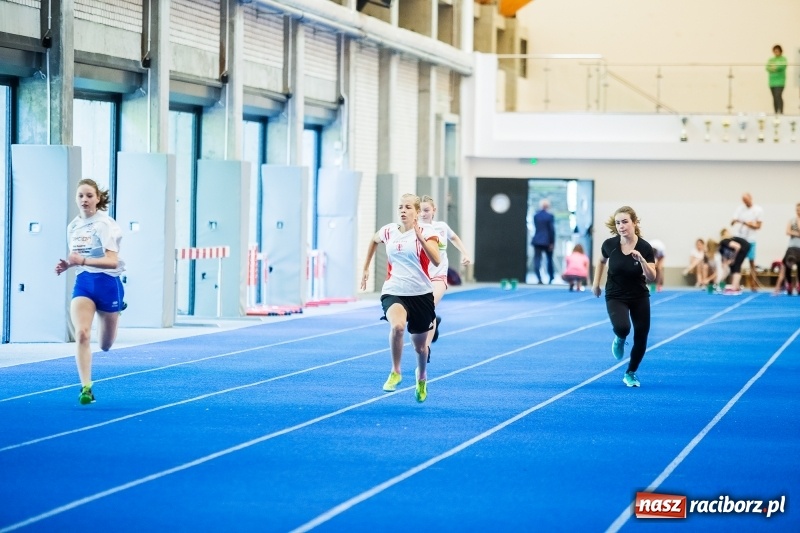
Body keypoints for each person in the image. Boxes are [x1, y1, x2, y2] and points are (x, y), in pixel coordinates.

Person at [360, 193, 440, 403]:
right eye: (400, 207)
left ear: (417, 212)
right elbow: (373, 240)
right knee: (397, 327)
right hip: (394, 290)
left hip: (421, 294)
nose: (403, 211)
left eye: (408, 207)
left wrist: (420, 238)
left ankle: (421, 377)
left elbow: (436, 260)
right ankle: (395, 371)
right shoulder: (389, 231)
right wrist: (366, 268)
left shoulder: (427, 232)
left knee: (420, 348)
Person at [54, 179, 125, 405]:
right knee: (82, 333)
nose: (84, 200)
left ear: (97, 199)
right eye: (81, 196)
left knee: (105, 345)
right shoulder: (73, 226)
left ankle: (117, 308)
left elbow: (112, 262)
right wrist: (67, 265)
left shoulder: (105, 225)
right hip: (84, 282)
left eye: (89, 195)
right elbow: (78, 257)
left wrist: (82, 260)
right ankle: (86, 387)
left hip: (108, 284)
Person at [591, 206, 656, 388]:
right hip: (615, 294)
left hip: (638, 295)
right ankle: (619, 338)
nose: (621, 226)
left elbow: (652, 277)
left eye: (625, 222)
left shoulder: (645, 247)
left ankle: (630, 373)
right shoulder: (609, 245)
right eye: (618, 223)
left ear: (634, 223)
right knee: (623, 327)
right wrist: (596, 283)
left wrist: (642, 260)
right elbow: (601, 261)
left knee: (641, 335)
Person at [419, 195, 472, 353]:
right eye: (420, 211)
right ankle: (434, 322)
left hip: (439, 275)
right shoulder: (415, 230)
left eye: (426, 210)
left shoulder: (441, 227)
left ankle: (426, 347)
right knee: (419, 312)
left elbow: (454, 238)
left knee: (428, 307)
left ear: (434, 210)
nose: (423, 214)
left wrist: (465, 253)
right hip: (421, 277)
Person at [731, 192, 763, 291]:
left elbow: (758, 226)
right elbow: (733, 221)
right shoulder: (740, 209)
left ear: (750, 198)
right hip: (740, 238)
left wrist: (748, 224)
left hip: (751, 239)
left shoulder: (758, 210)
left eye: (746, 199)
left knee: (751, 262)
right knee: (738, 261)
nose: (745, 202)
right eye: (743, 200)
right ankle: (736, 284)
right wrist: (735, 221)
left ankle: (753, 283)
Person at [772, 202, 800, 295]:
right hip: (791, 247)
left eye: (799, 210)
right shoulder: (791, 220)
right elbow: (787, 231)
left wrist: (796, 228)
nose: (798, 211)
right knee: (786, 266)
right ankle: (789, 285)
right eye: (797, 210)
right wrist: (796, 232)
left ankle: (798, 285)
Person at [718, 228, 751, 295]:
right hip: (743, 247)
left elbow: (738, 246)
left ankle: (734, 288)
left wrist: (733, 259)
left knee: (736, 266)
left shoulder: (724, 241)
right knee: (733, 267)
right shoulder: (721, 251)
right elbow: (725, 264)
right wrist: (721, 280)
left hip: (744, 246)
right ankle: (737, 286)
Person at [531, 198, 556, 284]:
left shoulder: (536, 216)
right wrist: (552, 242)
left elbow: (536, 227)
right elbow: (551, 230)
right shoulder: (550, 216)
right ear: (548, 206)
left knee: (537, 260)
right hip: (547, 241)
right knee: (549, 260)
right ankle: (551, 277)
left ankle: (539, 278)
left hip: (537, 240)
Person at [766, 44, 787, 115]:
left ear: (780, 51)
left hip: (780, 82)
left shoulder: (783, 59)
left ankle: (780, 112)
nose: (776, 53)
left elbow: (781, 67)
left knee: (778, 96)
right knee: (774, 97)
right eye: (775, 51)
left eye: (777, 51)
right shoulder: (771, 60)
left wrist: (774, 67)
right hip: (772, 82)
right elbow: (767, 68)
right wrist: (774, 68)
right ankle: (775, 112)